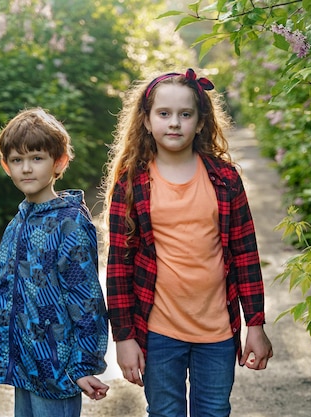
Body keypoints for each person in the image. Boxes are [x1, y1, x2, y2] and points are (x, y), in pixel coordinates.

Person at [102, 68, 273, 417]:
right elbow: (119, 266)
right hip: (159, 330)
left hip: (218, 331)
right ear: (147, 122)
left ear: (200, 122)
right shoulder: (132, 183)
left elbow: (245, 255)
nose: (175, 123)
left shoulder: (224, 178)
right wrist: (124, 337)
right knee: (165, 413)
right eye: (164, 114)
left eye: (185, 114)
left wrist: (255, 324)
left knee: (213, 411)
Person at [0, 108, 109, 417]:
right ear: (6, 166)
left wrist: (83, 365)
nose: (26, 168)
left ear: (59, 162)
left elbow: (86, 299)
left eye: (37, 158)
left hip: (57, 367)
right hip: (24, 367)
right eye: (17, 160)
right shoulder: (18, 222)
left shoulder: (69, 223)